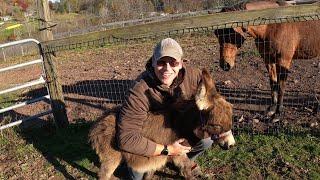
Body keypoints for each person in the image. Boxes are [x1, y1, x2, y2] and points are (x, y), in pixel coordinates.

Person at [117, 38, 213, 180]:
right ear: (153, 63)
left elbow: (212, 101)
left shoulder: (194, 76)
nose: (167, 68)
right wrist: (167, 149)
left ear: (181, 63)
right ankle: (161, 158)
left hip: (179, 130)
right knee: (136, 173)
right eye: (161, 62)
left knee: (206, 140)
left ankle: (180, 160)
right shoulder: (139, 91)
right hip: (151, 137)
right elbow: (126, 138)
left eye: (173, 62)